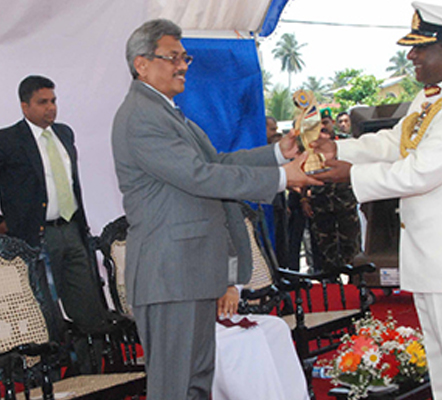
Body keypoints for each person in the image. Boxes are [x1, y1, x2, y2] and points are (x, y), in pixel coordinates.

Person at [312, 3, 442, 399]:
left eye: (421, 48)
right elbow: (394, 141)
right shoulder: (435, 98)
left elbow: (421, 171)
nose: (411, 56)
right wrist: (339, 149)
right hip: (437, 261)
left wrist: (349, 175)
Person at [111, 19, 317, 400]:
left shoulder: (167, 112)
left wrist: (276, 154)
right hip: (171, 274)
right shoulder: (142, 116)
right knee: (176, 387)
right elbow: (199, 177)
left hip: (189, 272)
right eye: (172, 57)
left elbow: (216, 163)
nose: (183, 65)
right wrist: (281, 180)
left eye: (184, 57)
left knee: (196, 383)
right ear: (141, 64)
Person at [0, 75, 113, 373]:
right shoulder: (8, 140)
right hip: (34, 238)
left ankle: (90, 375)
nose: (51, 108)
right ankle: (51, 378)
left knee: (89, 309)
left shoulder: (64, 133)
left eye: (53, 101)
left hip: (72, 232)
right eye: (42, 102)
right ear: (24, 106)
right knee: (46, 313)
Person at [213, 286, 309, 400]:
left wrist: (232, 287)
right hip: (195, 321)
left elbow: (232, 272)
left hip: (216, 313)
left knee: (276, 327)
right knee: (247, 339)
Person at [306, 107, 360, 273]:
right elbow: (303, 175)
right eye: (320, 127)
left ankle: (354, 280)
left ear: (332, 124)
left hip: (345, 201)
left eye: (326, 124)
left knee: (351, 243)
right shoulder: (311, 148)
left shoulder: (345, 144)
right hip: (320, 203)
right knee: (325, 246)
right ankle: (330, 282)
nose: (324, 129)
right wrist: (304, 199)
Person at [266, 116, 289, 268]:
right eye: (272, 129)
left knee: (282, 243)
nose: (276, 132)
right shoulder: (259, 153)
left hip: (278, 203)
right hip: (267, 204)